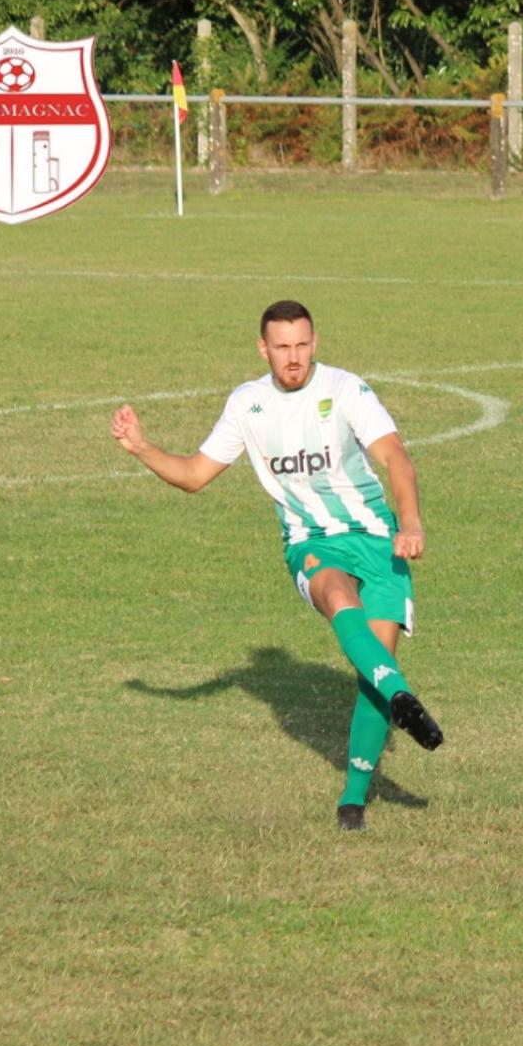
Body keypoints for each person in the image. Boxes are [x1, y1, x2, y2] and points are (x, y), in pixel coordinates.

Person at [108, 299, 443, 832]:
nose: (294, 357)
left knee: (372, 674)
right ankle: (401, 694)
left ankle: (352, 801)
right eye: (282, 347)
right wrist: (141, 447)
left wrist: (412, 522)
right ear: (263, 349)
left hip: (379, 538)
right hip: (311, 540)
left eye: (303, 345)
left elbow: (395, 457)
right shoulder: (248, 404)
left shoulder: (346, 389)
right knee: (336, 597)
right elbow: (195, 474)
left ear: (315, 343)